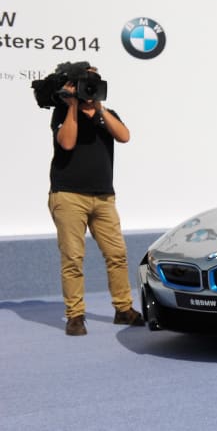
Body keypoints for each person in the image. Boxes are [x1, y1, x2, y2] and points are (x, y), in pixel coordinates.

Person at [47, 62, 143, 336]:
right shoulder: (62, 112)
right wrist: (73, 106)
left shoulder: (106, 113)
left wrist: (99, 108)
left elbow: (124, 136)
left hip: (103, 197)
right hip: (68, 196)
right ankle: (75, 315)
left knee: (117, 255)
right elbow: (66, 143)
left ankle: (123, 309)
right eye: (85, 85)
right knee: (73, 258)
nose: (89, 90)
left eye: (94, 85)